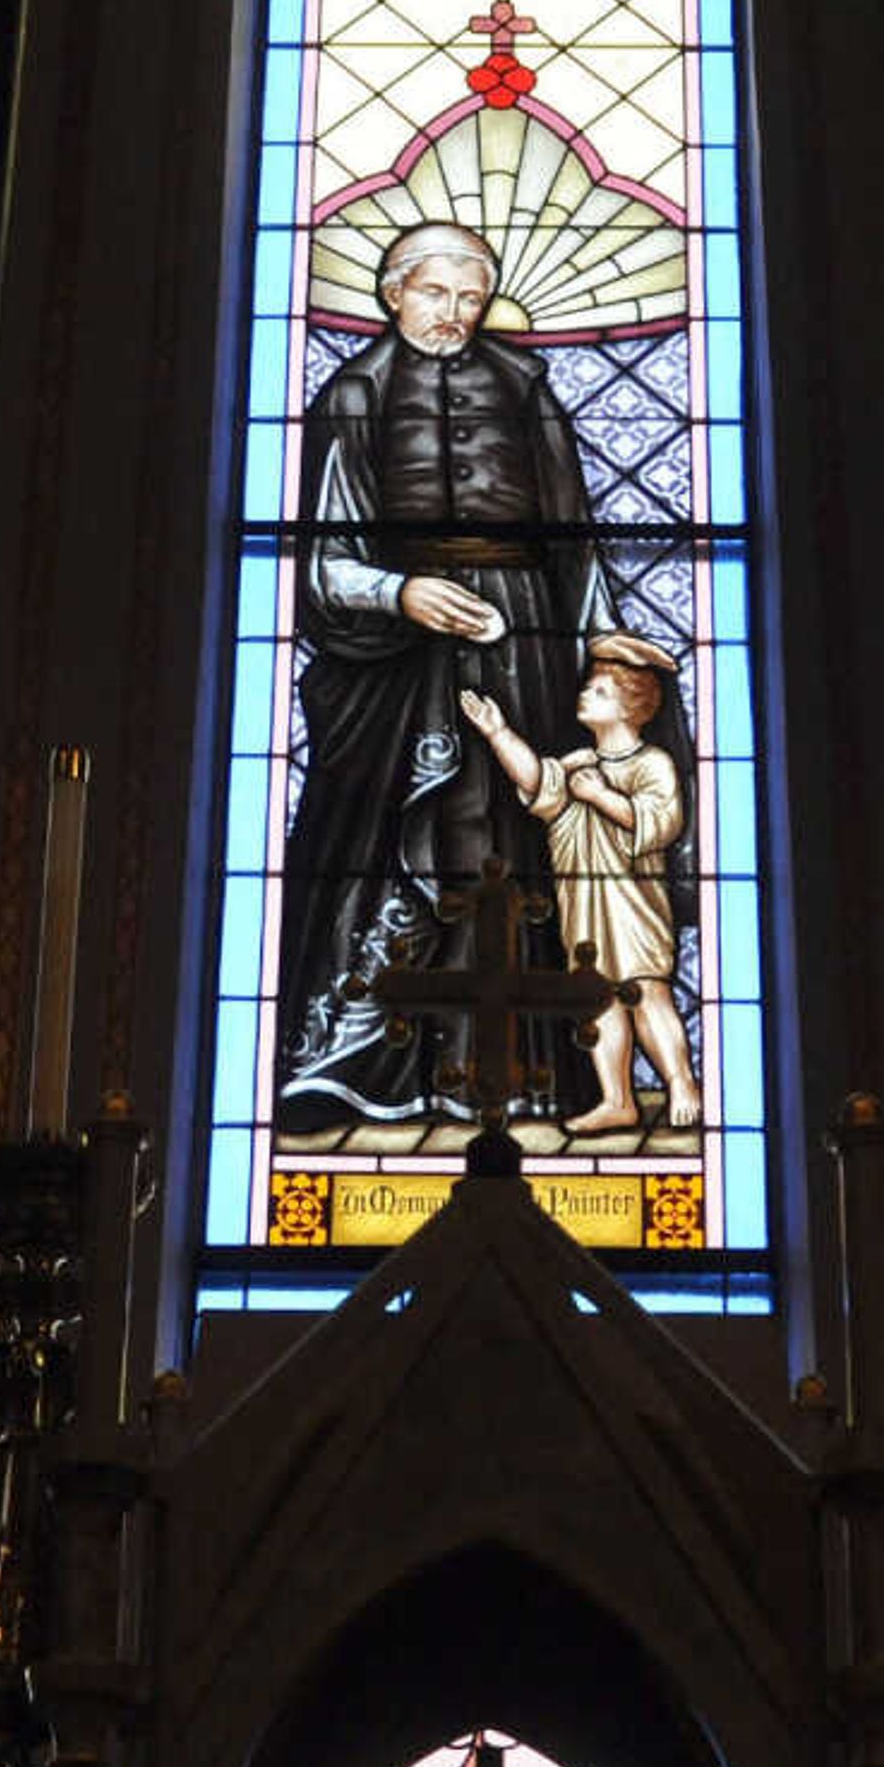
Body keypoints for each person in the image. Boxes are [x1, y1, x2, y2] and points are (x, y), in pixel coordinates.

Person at [273, 219, 616, 1133]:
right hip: (394, 649)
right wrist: (401, 592)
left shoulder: (524, 385)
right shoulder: (354, 392)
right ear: (392, 293)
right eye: (435, 293)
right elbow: (321, 558)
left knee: (510, 828)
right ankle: (361, 1065)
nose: (454, 314)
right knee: (391, 836)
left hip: (522, 634)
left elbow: (575, 535)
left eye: (471, 298)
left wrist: (605, 648)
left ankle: (525, 1074)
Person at [456, 634, 705, 1132]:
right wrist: (499, 733)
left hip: (634, 903)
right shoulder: (577, 764)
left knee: (646, 990)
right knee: (599, 998)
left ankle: (680, 1081)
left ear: (631, 708)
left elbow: (662, 821)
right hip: (583, 902)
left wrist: (600, 797)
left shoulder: (650, 764)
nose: (585, 696)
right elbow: (536, 782)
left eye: (599, 692)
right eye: (589, 688)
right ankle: (617, 1099)